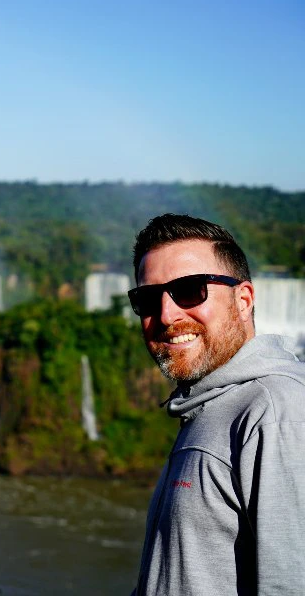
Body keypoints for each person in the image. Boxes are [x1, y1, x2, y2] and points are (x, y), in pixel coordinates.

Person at [128, 213, 305, 595]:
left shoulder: (276, 413)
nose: (166, 314)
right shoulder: (207, 406)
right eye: (147, 298)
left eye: (190, 290)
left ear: (243, 300)